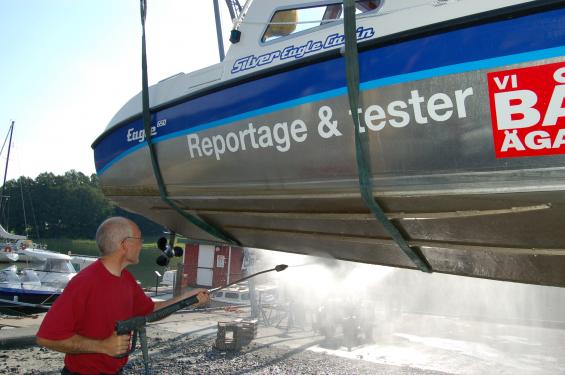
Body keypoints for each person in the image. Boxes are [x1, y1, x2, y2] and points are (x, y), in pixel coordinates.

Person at [36, 217, 209, 375]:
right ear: (125, 244)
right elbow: (47, 338)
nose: (141, 244)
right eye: (139, 239)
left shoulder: (126, 278)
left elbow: (149, 311)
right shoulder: (85, 282)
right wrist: (103, 346)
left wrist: (187, 299)